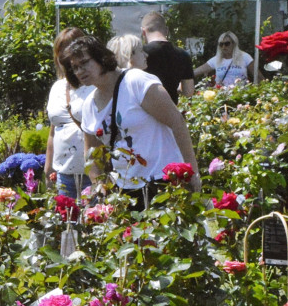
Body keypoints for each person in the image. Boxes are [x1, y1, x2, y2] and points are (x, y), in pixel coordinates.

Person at [65, 36, 200, 210]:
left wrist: (192, 172)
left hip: (163, 182)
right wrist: (100, 187)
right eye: (75, 67)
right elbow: (92, 157)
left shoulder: (136, 81)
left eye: (84, 63)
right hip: (125, 191)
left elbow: (177, 122)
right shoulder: (89, 105)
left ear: (101, 58)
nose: (79, 71)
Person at [43, 26, 94, 199]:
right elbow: (53, 129)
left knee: (95, 221)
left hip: (92, 173)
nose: (66, 58)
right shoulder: (57, 87)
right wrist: (48, 166)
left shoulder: (93, 85)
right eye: (61, 53)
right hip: (64, 172)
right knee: (66, 222)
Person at [141, 12, 194, 104]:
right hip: (170, 112)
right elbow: (188, 92)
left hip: (145, 111)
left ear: (143, 32)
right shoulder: (183, 55)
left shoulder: (140, 54)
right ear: (166, 31)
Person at [194, 31, 262, 86]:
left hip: (240, 96)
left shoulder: (245, 57)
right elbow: (196, 72)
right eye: (221, 44)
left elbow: (258, 77)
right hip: (221, 96)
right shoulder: (215, 60)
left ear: (234, 44)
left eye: (227, 44)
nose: (223, 47)